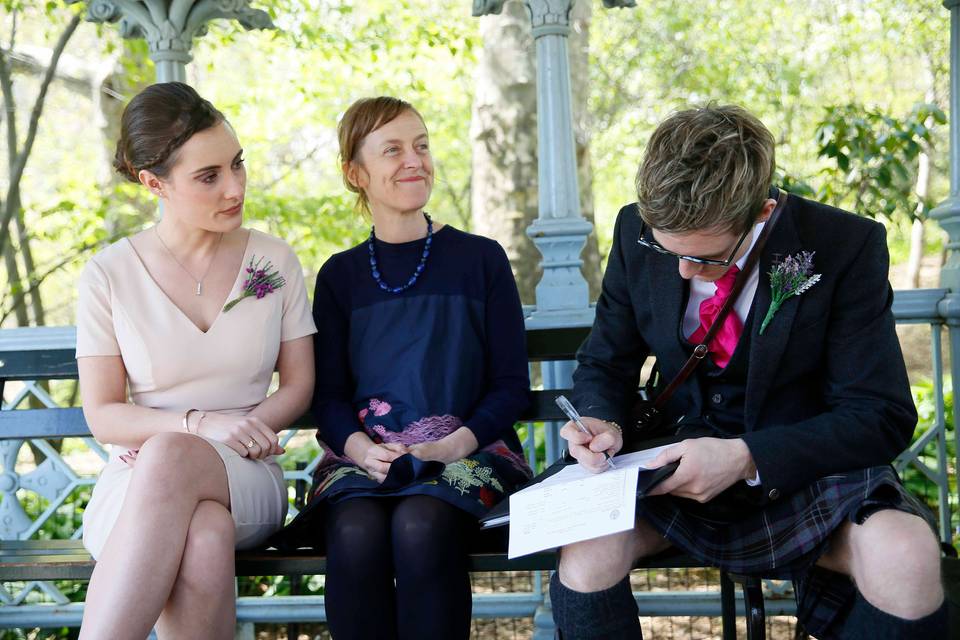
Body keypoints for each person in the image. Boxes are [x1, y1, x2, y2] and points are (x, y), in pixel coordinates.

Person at [550, 105, 947, 639]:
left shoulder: (844, 245)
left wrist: (747, 456)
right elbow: (606, 361)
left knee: (908, 555)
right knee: (585, 548)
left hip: (801, 471)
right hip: (674, 466)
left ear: (761, 214)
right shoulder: (632, 230)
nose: (685, 272)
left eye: (706, 259)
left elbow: (881, 416)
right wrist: (602, 420)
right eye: (667, 251)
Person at [273, 96, 532, 639]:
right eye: (392, 150)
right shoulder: (340, 278)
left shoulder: (481, 260)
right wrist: (361, 448)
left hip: (471, 453)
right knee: (358, 531)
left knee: (420, 524)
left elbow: (510, 387)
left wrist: (449, 446)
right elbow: (330, 396)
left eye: (421, 145)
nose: (414, 160)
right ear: (356, 173)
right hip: (363, 458)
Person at [75, 82, 316, 639]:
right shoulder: (108, 274)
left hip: (247, 473)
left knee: (174, 460)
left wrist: (232, 435)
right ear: (154, 183)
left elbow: (299, 386)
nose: (234, 188)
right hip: (134, 482)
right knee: (203, 532)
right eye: (209, 177)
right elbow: (104, 414)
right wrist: (195, 427)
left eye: (237, 165)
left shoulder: (274, 260)